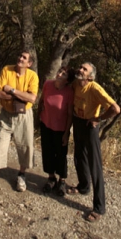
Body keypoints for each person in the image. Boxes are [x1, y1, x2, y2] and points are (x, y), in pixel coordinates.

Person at [0, 51, 39, 198]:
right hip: (6, 115)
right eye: (19, 56)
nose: (20, 58)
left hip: (24, 116)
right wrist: (20, 96)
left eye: (24, 58)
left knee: (25, 146)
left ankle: (22, 175)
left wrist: (11, 90)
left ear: (29, 63)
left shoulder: (33, 76)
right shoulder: (7, 69)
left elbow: (32, 98)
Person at [68, 62, 120, 223]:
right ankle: (83, 186)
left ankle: (99, 208)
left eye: (84, 69)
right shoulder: (76, 84)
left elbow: (115, 109)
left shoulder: (95, 88)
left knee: (94, 165)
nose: (80, 69)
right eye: (80, 67)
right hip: (77, 122)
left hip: (90, 126)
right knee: (79, 157)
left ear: (90, 76)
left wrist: (99, 118)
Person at [38, 66, 75, 196]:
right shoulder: (48, 84)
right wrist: (38, 117)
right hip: (46, 124)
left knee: (60, 154)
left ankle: (62, 180)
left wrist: (66, 133)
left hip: (61, 129)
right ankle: (51, 178)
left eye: (64, 74)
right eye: (60, 71)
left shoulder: (69, 92)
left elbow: (70, 114)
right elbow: (41, 100)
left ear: (67, 80)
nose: (59, 74)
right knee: (47, 152)